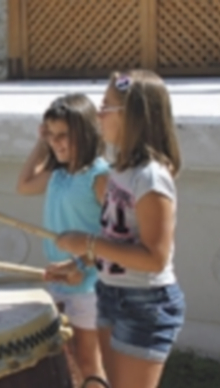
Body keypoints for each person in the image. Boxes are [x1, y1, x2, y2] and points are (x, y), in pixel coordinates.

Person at [54, 69, 185, 388]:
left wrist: (87, 242)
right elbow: (117, 239)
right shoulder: (120, 172)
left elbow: (154, 256)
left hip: (145, 302)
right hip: (111, 293)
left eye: (106, 106)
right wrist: (80, 261)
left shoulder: (150, 178)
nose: (98, 114)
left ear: (132, 117)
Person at [17, 94, 108, 387]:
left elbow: (116, 237)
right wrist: (42, 143)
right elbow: (24, 184)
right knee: (63, 360)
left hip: (90, 284)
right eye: (51, 135)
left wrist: (80, 262)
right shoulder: (57, 174)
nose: (56, 143)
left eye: (63, 136)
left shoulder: (100, 176)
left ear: (85, 132)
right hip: (58, 278)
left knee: (88, 363)